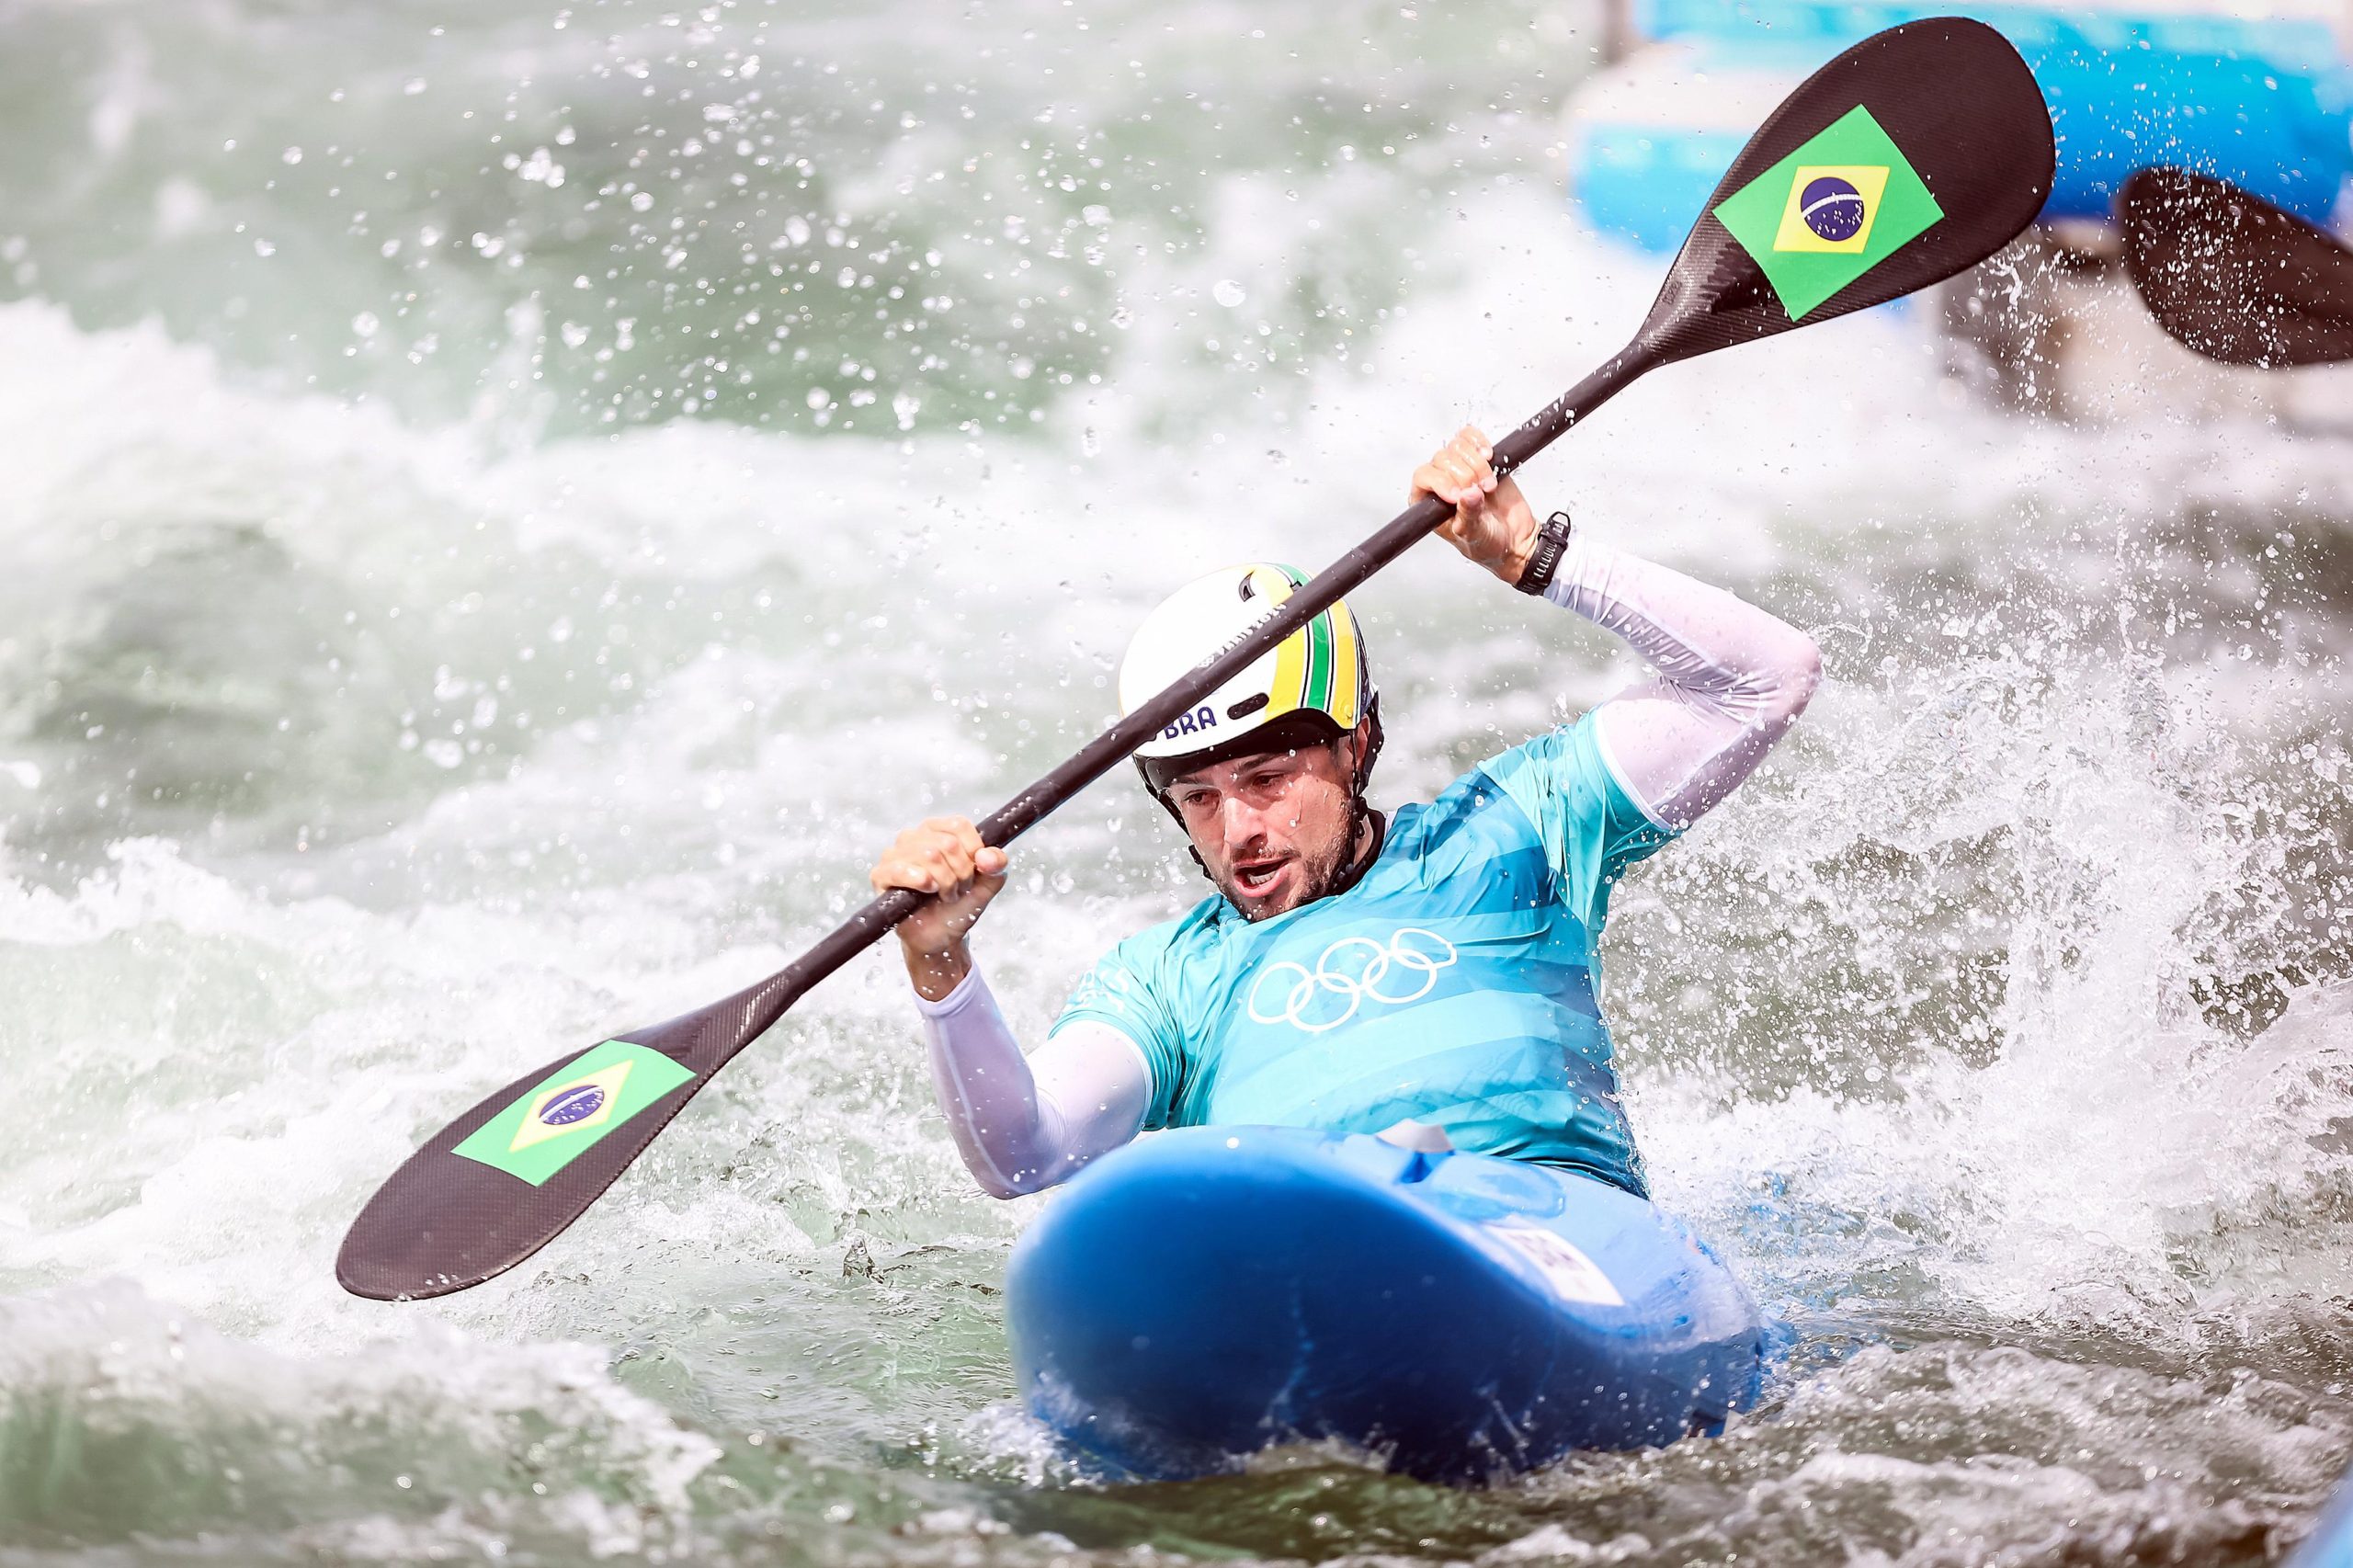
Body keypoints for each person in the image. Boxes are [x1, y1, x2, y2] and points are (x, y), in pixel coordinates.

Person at [868, 426, 1821, 1200]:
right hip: (1317, 1259)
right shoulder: (1164, 980)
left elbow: (1764, 680)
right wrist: (939, 962)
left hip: (1551, 1238)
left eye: (1269, 776)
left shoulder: (1516, 828)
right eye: (1197, 796)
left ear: (1357, 742)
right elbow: (1025, 1154)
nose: (1236, 828)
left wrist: (1539, 558)